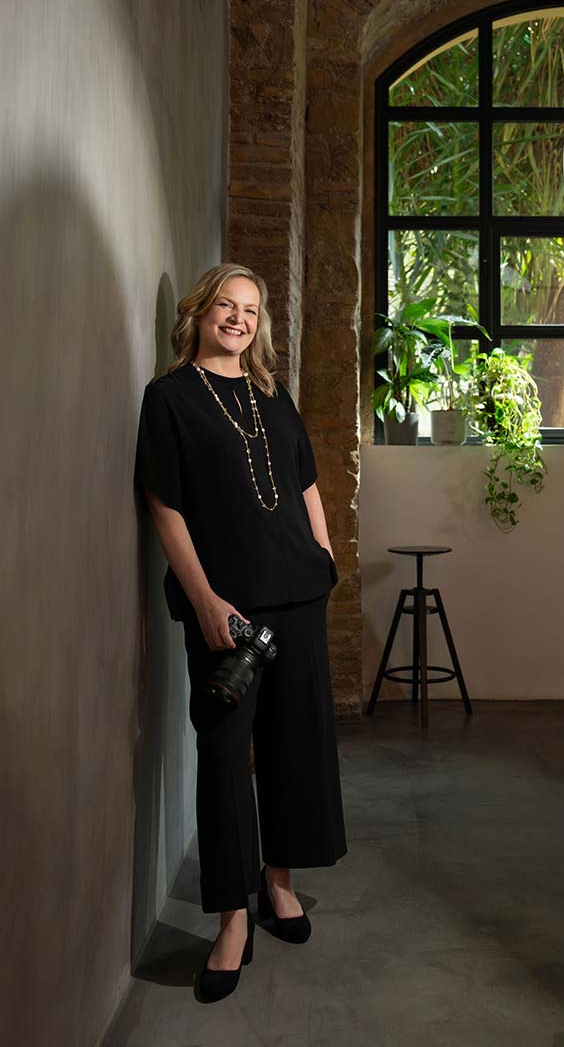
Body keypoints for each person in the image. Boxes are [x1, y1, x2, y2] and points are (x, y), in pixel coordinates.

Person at [134, 262, 347, 1002]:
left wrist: (324, 558)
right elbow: (165, 506)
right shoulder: (169, 401)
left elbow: (308, 480)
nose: (238, 319)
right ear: (199, 312)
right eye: (226, 305)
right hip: (227, 611)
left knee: (294, 748)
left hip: (298, 596)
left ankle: (277, 886)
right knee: (226, 757)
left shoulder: (270, 395)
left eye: (250, 310)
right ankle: (231, 920)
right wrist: (203, 599)